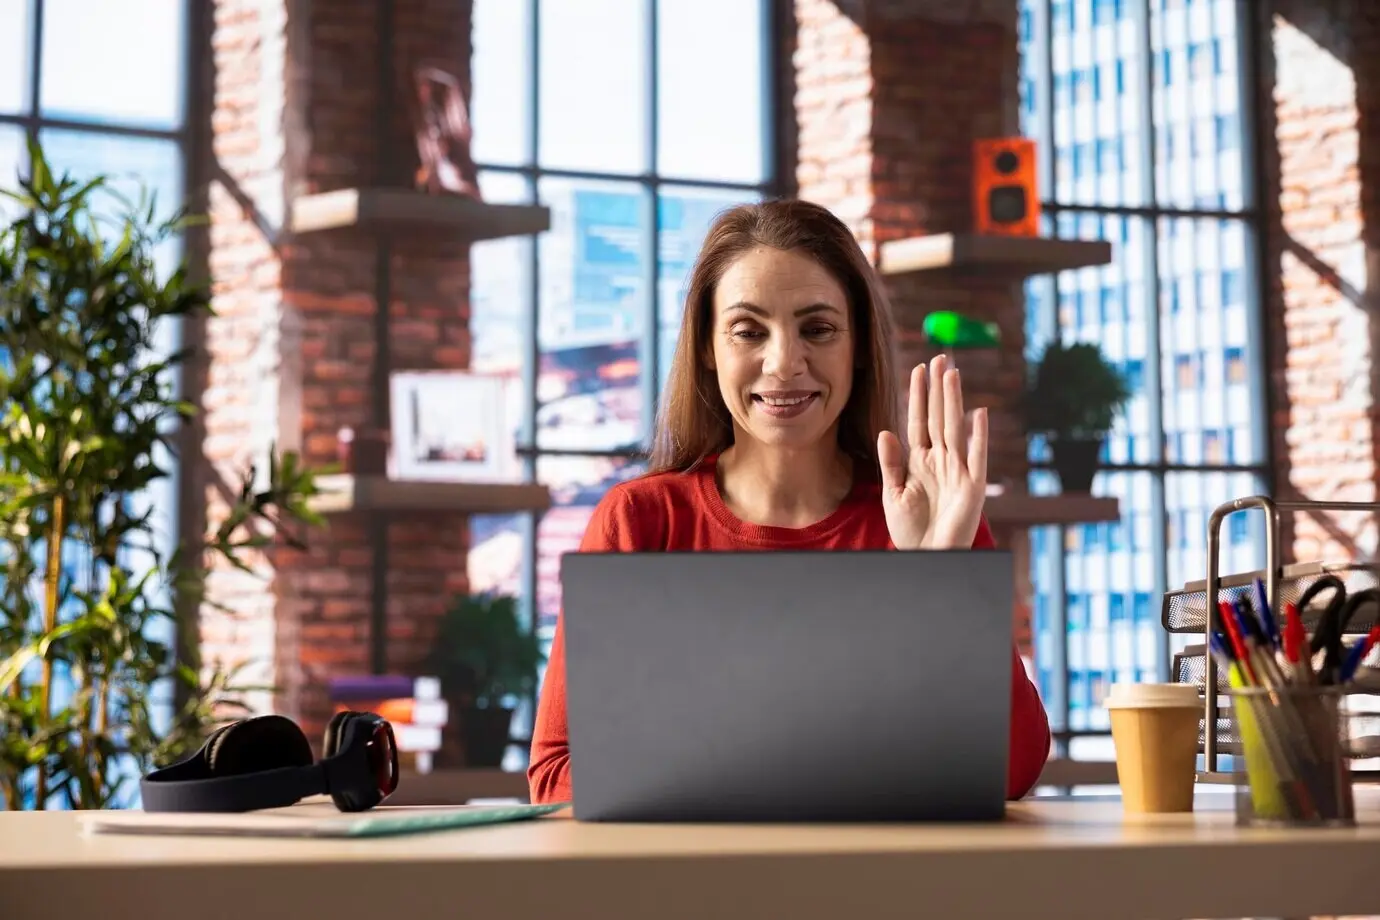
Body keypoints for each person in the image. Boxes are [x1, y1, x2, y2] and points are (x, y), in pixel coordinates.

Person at [528, 198, 1052, 805]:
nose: (785, 363)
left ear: (857, 345)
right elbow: (554, 777)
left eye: (818, 329)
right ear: (707, 347)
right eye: (749, 331)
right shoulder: (641, 521)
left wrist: (942, 576)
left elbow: (1010, 771)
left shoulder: (928, 513)